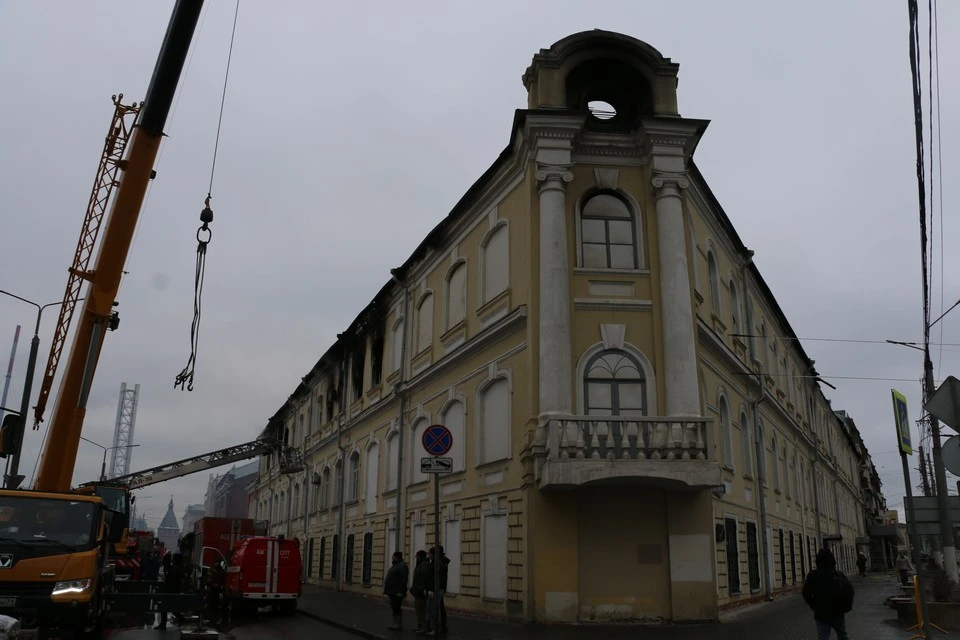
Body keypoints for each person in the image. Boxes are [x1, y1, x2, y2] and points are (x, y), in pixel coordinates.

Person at [802, 548, 854, 640]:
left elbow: (805, 593)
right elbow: (850, 591)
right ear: (832, 560)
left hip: (821, 613)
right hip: (837, 612)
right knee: (843, 635)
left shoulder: (813, 575)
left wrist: (813, 605)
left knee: (823, 637)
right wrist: (845, 606)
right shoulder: (838, 574)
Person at [419, 546, 449, 636]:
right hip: (433, 589)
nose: (429, 555)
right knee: (431, 608)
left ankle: (436, 629)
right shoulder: (435, 562)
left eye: (430, 553)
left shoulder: (439, 563)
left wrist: (432, 589)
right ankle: (430, 627)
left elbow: (436, 578)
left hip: (436, 589)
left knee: (435, 609)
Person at [156, 553, 185, 630]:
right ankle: (180, 619)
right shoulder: (178, 567)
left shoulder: (175, 568)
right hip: (174, 591)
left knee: (165, 607)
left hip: (171, 591)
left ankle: (163, 624)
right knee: (170, 607)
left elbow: (172, 580)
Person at [383, 551, 409, 630]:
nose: (392, 558)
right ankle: (395, 623)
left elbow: (403, 580)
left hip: (397, 592)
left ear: (396, 557)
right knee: (394, 607)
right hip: (392, 591)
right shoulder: (396, 565)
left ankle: (398, 624)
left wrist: (401, 592)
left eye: (393, 556)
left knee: (397, 607)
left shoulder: (402, 566)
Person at [410, 551, 430, 633]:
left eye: (417, 556)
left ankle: (424, 628)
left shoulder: (424, 565)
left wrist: (421, 589)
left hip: (421, 592)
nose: (416, 557)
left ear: (420, 556)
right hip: (417, 591)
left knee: (422, 610)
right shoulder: (420, 564)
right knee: (418, 610)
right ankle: (420, 626)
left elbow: (424, 579)